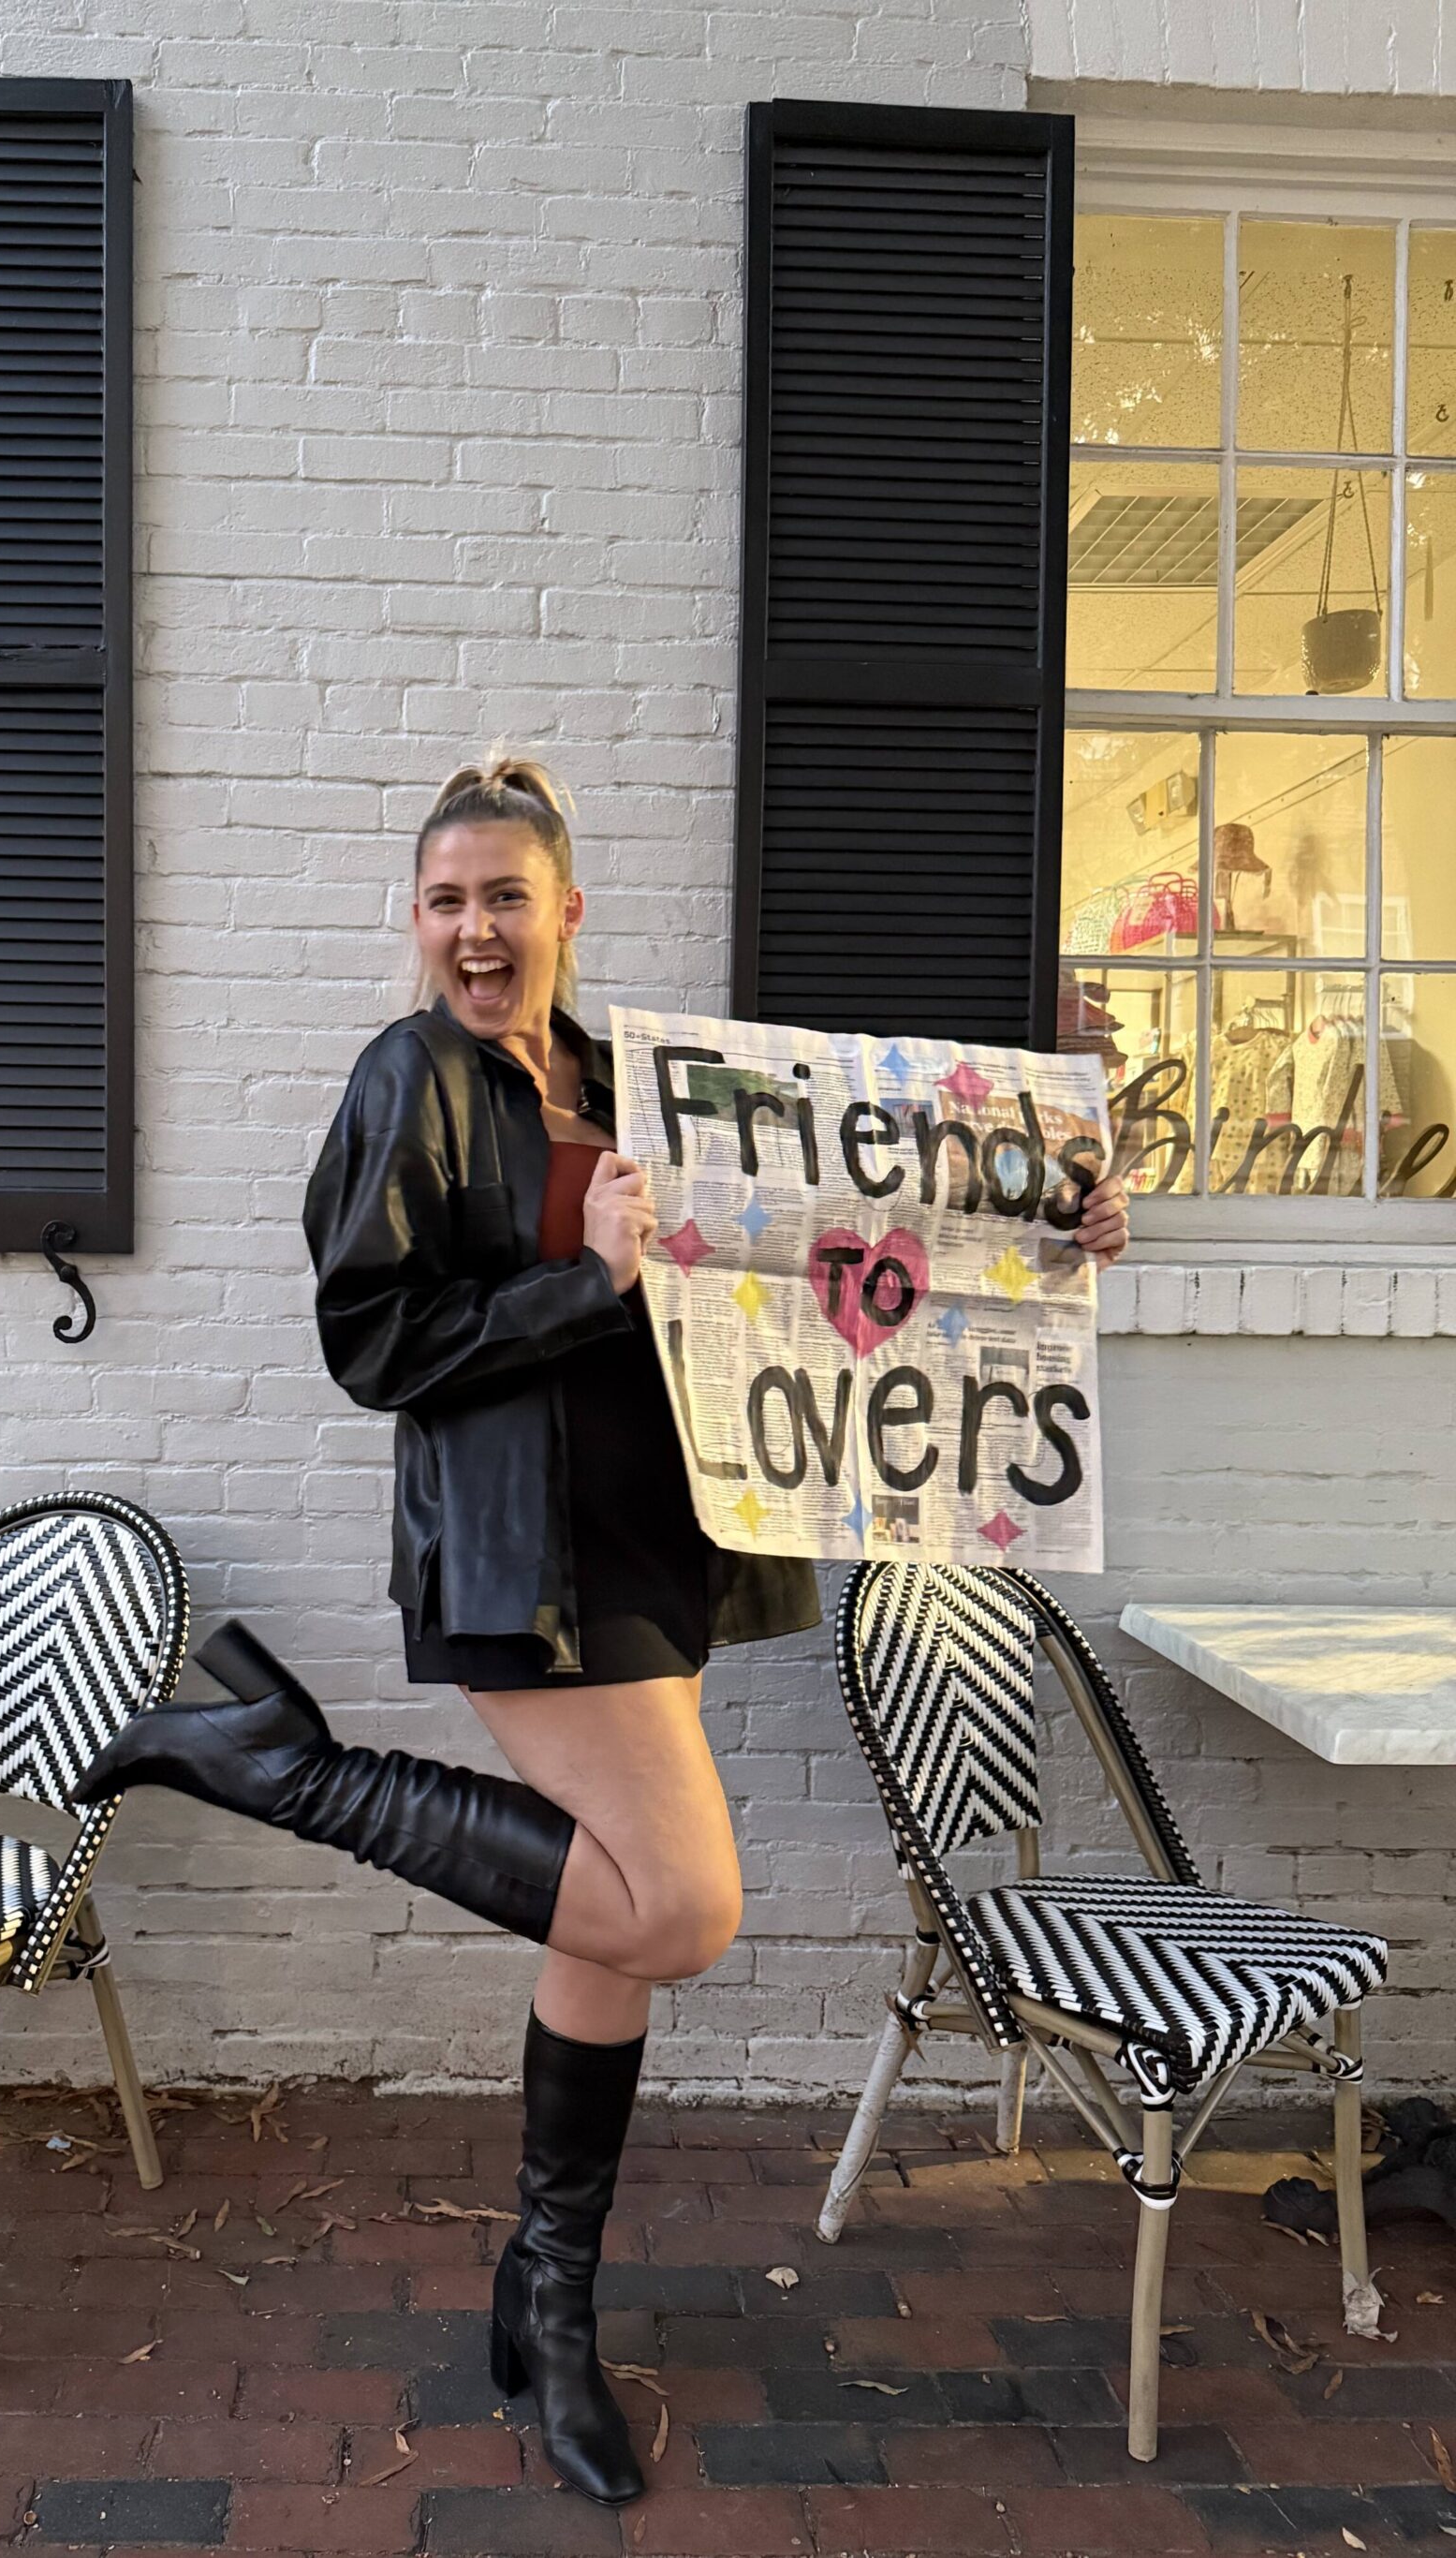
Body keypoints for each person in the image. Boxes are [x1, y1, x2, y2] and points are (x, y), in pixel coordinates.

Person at [77, 750, 1132, 2505]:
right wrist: (595, 1280)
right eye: (447, 902)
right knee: (685, 1908)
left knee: (605, 1931)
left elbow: (842, 1230)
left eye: (507, 897)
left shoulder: (641, 1076)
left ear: (568, 909)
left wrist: (1052, 1222)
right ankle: (284, 1765)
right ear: (414, 923)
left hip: (660, 1542)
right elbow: (375, 1341)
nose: (477, 931)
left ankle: (545, 2300)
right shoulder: (410, 1076)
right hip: (523, 1558)